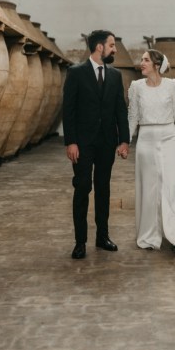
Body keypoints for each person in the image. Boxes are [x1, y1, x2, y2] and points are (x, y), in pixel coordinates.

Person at [127, 49, 175, 253]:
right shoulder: (136, 87)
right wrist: (126, 141)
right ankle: (148, 236)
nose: (141, 63)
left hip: (169, 138)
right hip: (145, 139)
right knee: (148, 188)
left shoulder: (172, 85)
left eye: (145, 60)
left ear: (157, 65)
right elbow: (133, 117)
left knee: (170, 186)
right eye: (142, 59)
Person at [63, 30, 129, 260]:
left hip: (106, 143)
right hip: (82, 144)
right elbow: (68, 110)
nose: (115, 49)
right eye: (112, 45)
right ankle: (80, 242)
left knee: (103, 189)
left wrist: (124, 140)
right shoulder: (76, 73)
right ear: (100, 47)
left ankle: (102, 237)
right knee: (82, 188)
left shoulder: (115, 75)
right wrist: (71, 142)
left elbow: (120, 109)